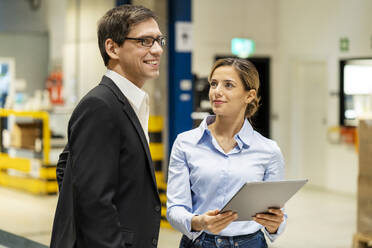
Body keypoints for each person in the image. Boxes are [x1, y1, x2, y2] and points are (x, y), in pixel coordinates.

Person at [50, 4, 165, 248]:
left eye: (158, 40)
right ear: (112, 48)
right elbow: (93, 200)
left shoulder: (129, 102)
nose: (156, 50)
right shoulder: (101, 106)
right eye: (145, 41)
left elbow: (66, 166)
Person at [166, 58, 286, 248]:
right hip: (199, 243)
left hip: (251, 243)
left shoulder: (269, 151)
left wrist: (275, 224)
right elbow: (174, 209)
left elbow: (278, 215)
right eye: (214, 84)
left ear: (249, 95)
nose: (216, 91)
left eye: (228, 85)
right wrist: (199, 222)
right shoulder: (185, 143)